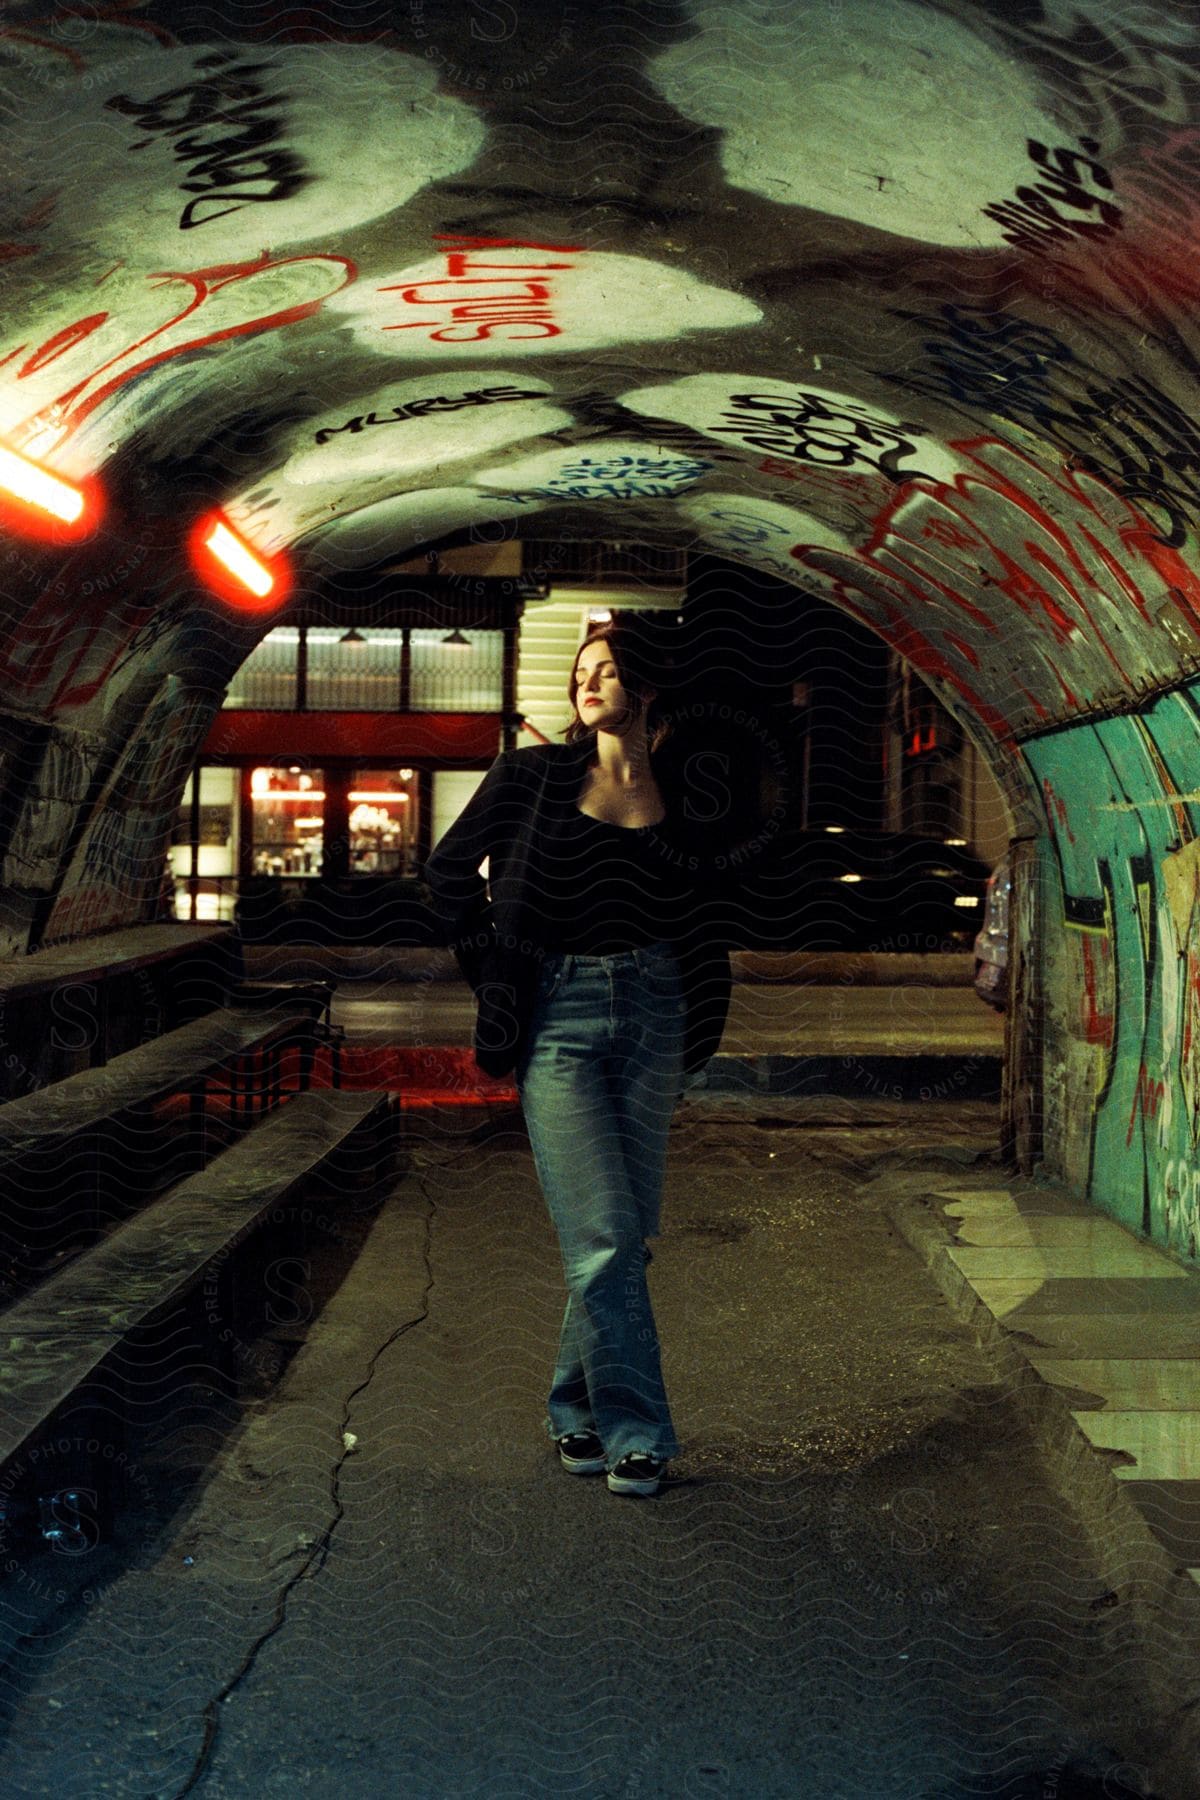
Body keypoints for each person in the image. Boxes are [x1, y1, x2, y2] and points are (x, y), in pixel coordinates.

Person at [423, 617, 734, 1498]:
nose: (586, 684)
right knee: (601, 1236)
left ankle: (575, 1408)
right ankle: (639, 1432)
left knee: (624, 1241)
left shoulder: (684, 791)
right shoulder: (532, 776)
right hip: (557, 1017)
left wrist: (702, 1006)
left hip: (655, 1013)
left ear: (649, 689)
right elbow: (448, 875)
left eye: (606, 670)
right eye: (580, 672)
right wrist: (496, 975)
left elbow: (710, 914)